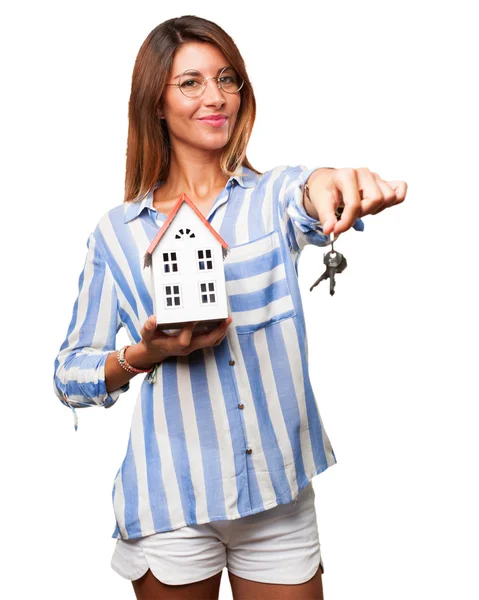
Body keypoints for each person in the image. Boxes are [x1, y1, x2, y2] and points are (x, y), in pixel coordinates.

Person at [53, 15, 407, 600]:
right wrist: (142, 356)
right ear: (156, 105)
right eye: (190, 83)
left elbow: (310, 191)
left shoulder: (271, 197)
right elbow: (68, 373)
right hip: (172, 499)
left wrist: (337, 185)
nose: (215, 97)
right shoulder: (118, 234)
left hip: (277, 496)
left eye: (227, 79)